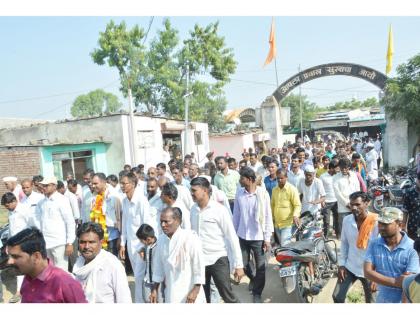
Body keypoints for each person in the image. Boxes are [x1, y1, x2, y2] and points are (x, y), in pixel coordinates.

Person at [190, 177, 244, 303]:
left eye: (194, 190)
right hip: (199, 261)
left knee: (227, 295)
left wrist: (239, 265)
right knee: (203, 297)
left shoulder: (219, 210)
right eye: (191, 191)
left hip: (217, 259)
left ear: (204, 190)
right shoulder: (193, 210)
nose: (191, 193)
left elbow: (232, 237)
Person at [6, 227, 87, 303]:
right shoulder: (28, 277)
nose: (9, 261)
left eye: (16, 256)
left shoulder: (66, 284)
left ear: (36, 257)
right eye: (9, 256)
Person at [233, 167, 274, 303]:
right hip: (243, 235)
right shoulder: (239, 193)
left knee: (261, 267)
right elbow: (236, 215)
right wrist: (233, 234)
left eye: (242, 178)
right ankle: (253, 279)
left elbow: (268, 216)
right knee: (243, 264)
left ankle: (257, 292)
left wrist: (267, 238)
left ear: (249, 180)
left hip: (258, 237)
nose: (240, 180)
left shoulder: (263, 194)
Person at [364, 207, 420, 303]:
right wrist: (396, 281)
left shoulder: (412, 248)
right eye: (380, 223)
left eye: (386, 224)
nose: (381, 227)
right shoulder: (374, 243)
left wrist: (377, 277)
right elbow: (367, 272)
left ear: (400, 225)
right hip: (381, 301)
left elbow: (410, 284)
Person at [151, 207, 206, 303]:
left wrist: (196, 290)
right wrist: (154, 289)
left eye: (166, 222)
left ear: (177, 221)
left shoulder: (190, 238)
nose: (163, 225)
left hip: (190, 293)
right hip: (171, 293)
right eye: (161, 222)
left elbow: (199, 265)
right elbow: (158, 267)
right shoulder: (161, 240)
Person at [332, 191, 378, 303]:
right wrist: (342, 264)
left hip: (370, 270)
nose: (353, 207)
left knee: (372, 302)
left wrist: (378, 275)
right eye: (352, 204)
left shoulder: (376, 222)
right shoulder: (347, 220)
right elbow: (344, 243)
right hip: (350, 266)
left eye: (357, 205)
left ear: (367, 203)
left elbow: (380, 250)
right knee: (337, 296)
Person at [72, 222, 131, 303]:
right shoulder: (78, 264)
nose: (86, 246)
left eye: (91, 242)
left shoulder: (113, 265)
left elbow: (124, 300)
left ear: (101, 242)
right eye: (82, 242)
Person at [119, 172, 154, 303]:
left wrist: (145, 246)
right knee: (136, 275)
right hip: (130, 245)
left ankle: (141, 302)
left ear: (133, 184)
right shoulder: (124, 201)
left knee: (139, 277)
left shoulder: (141, 200)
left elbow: (147, 224)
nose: (122, 186)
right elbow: (125, 223)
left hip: (141, 245)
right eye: (121, 183)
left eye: (124, 183)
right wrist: (122, 243)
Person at [35, 176, 76, 272]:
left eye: (46, 185)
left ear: (54, 186)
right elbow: (39, 223)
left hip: (59, 242)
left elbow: (69, 222)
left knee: (61, 271)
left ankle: (63, 288)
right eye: (43, 185)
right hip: (46, 242)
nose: (44, 188)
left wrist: (69, 243)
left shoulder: (62, 200)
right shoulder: (41, 202)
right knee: (49, 270)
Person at [91, 173, 122, 257]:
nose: (93, 186)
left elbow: (121, 217)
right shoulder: (95, 196)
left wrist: (121, 237)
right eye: (92, 183)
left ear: (104, 182)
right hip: (99, 236)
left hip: (113, 236)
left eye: (95, 183)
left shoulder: (114, 196)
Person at [271, 169, 301, 246]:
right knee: (282, 246)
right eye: (278, 178)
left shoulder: (292, 189)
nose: (279, 180)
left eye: (281, 178)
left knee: (285, 246)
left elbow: (297, 205)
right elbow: (272, 205)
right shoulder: (274, 190)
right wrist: (271, 219)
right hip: (277, 224)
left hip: (287, 224)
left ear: (286, 177)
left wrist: (295, 215)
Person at [333, 158, 361, 239]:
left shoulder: (354, 175)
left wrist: (355, 204)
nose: (344, 170)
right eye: (342, 168)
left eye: (346, 168)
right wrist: (347, 204)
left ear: (349, 167)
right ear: (339, 168)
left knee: (356, 230)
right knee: (344, 232)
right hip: (343, 209)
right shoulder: (335, 178)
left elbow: (357, 190)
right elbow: (337, 194)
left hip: (355, 207)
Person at [136, 224, 163, 303]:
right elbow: (146, 255)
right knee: (147, 300)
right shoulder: (147, 245)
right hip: (147, 280)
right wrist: (141, 250)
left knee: (158, 301)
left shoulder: (159, 247)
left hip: (158, 283)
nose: (141, 242)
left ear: (147, 239)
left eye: (141, 241)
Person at [319, 160, 339, 237]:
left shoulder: (337, 176)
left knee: (337, 219)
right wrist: (321, 201)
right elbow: (320, 190)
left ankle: (338, 234)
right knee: (326, 221)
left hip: (336, 201)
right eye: (336, 169)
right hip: (326, 202)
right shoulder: (323, 177)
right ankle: (326, 236)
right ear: (331, 168)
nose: (338, 170)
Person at [402, 173, 420, 241]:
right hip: (413, 227)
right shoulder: (409, 193)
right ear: (417, 180)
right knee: (413, 249)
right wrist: (403, 226)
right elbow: (405, 210)